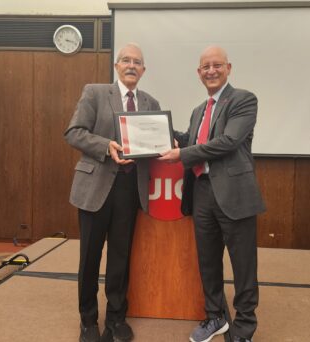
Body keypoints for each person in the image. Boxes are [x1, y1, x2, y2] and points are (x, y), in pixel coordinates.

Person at [159, 46, 265, 342]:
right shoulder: (198, 111)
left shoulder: (243, 100)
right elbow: (193, 140)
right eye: (205, 66)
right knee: (208, 261)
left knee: (243, 265)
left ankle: (244, 328)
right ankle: (215, 317)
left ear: (228, 68)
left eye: (217, 65)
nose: (211, 71)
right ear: (198, 72)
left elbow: (228, 141)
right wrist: (159, 131)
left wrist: (181, 152)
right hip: (202, 192)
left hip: (235, 194)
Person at [64, 43, 160, 342]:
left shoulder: (151, 103)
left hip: (130, 190)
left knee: (121, 258)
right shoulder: (94, 92)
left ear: (143, 70)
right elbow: (75, 132)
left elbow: (156, 142)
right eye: (126, 60)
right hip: (95, 186)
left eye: (138, 62)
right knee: (90, 257)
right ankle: (88, 321)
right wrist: (106, 146)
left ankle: (117, 319)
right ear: (116, 65)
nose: (132, 65)